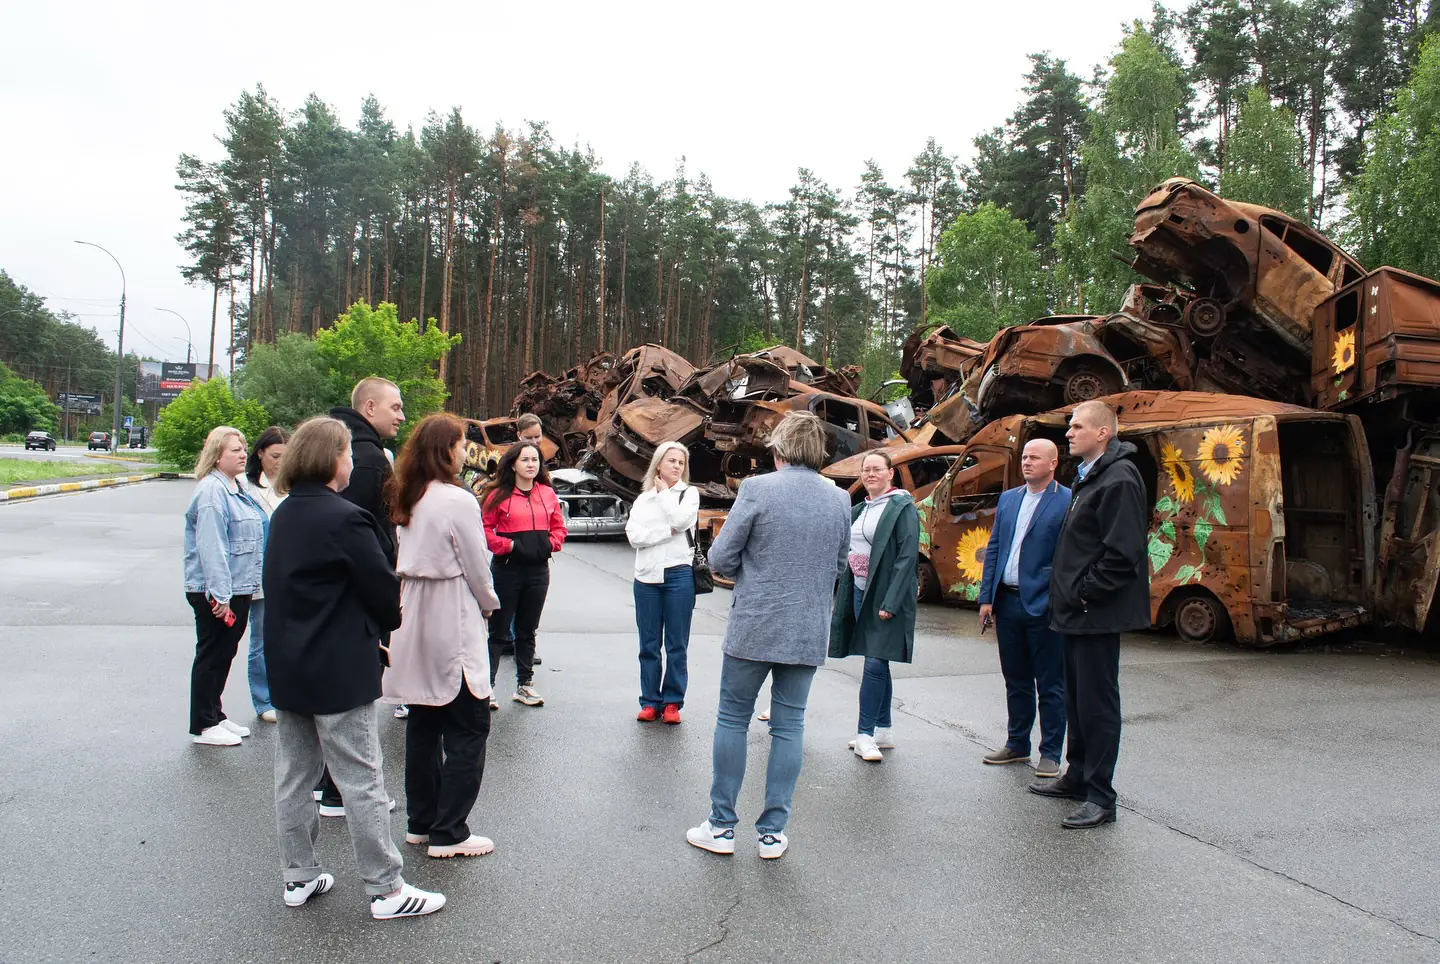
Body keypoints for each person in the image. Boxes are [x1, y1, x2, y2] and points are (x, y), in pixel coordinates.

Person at [263, 416, 445, 919]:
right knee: (362, 779)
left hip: (289, 665)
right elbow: (383, 592)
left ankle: (299, 875)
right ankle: (386, 889)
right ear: (330, 459)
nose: (352, 461)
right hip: (339, 666)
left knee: (294, 775)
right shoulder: (346, 519)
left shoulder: (285, 513)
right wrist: (384, 624)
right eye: (346, 453)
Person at [687, 411, 850, 860]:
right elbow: (838, 565)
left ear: (779, 450)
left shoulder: (757, 489)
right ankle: (772, 833)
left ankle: (721, 826)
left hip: (756, 622)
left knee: (733, 719)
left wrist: (754, 573)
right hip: (807, 627)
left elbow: (720, 558)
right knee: (789, 726)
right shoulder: (839, 498)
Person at [382, 414, 502, 860]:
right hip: (451, 607)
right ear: (446, 450)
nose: (465, 451)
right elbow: (476, 563)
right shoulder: (456, 499)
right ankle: (450, 831)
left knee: (424, 719)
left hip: (414, 608)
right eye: (461, 443)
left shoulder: (410, 493)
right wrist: (489, 604)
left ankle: (421, 821)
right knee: (470, 724)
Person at [1029, 400, 1150, 829]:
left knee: (1097, 704)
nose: (1069, 433)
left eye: (1078, 426)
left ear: (1103, 433)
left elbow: (1123, 554)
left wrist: (1083, 593)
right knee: (1078, 701)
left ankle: (1101, 795)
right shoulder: (1089, 476)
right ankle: (1078, 775)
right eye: (1070, 426)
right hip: (1075, 613)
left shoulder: (1119, 478)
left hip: (1093, 613)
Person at [322, 376, 406, 816]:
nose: (401, 415)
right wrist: (383, 600)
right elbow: (357, 534)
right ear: (369, 407)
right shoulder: (368, 458)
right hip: (356, 597)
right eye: (395, 407)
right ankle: (342, 792)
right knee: (353, 700)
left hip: (334, 598)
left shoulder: (345, 445)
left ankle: (326, 783)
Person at [977, 439, 1070, 778]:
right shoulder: (1009, 498)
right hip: (1007, 601)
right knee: (1015, 679)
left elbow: (1068, 555)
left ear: (1053, 463)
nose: (1027, 462)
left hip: (1044, 604)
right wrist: (987, 597)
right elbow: (995, 548)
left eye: (1035, 457)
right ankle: (1017, 744)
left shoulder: (1066, 500)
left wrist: (1057, 598)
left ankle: (1051, 753)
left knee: (1050, 682)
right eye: (1025, 456)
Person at [828, 450, 920, 763]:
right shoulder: (860, 508)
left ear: (890, 473)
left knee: (875, 663)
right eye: (866, 470)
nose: (870, 474)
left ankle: (865, 734)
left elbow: (907, 557)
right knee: (877, 659)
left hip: (884, 596)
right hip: (859, 591)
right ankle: (884, 729)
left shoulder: (902, 507)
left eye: (877, 469)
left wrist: (891, 602)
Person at [183, 425, 268, 747]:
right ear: (217, 455)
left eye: (244, 448)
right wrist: (220, 596)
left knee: (224, 653)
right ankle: (203, 724)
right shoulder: (212, 492)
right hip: (218, 592)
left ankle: (215, 714)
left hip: (239, 587)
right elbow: (212, 546)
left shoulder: (237, 486)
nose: (243, 454)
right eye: (235, 450)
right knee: (212, 654)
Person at [481, 442, 567, 709]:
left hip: (538, 570)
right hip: (507, 569)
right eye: (525, 460)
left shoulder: (547, 493)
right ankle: (486, 686)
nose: (531, 464)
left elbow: (559, 527)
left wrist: (549, 544)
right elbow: (484, 529)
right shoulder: (497, 494)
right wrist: (508, 546)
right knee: (498, 630)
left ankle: (525, 685)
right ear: (513, 464)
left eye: (535, 460)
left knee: (527, 629)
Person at [625, 441, 700, 724]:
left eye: (681, 462)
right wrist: (664, 532)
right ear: (658, 464)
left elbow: (680, 522)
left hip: (678, 574)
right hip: (646, 577)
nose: (677, 466)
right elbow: (634, 536)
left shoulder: (689, 494)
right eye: (671, 461)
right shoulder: (643, 500)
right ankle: (649, 701)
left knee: (676, 644)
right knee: (649, 644)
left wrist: (666, 495)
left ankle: (672, 702)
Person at [241, 425, 289, 724]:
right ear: (260, 454)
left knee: (289, 638)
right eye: (274, 456)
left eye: (286, 456)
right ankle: (263, 700)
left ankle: (287, 696)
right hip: (259, 573)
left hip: (289, 572)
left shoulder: (293, 486)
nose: (280, 462)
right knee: (261, 639)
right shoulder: (245, 487)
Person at [515, 413, 546, 666]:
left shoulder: (541, 464)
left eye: (538, 437)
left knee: (530, 609)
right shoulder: (511, 461)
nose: (534, 442)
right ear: (518, 436)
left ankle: (524, 647)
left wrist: (550, 542)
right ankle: (509, 640)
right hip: (512, 551)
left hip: (537, 553)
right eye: (529, 438)